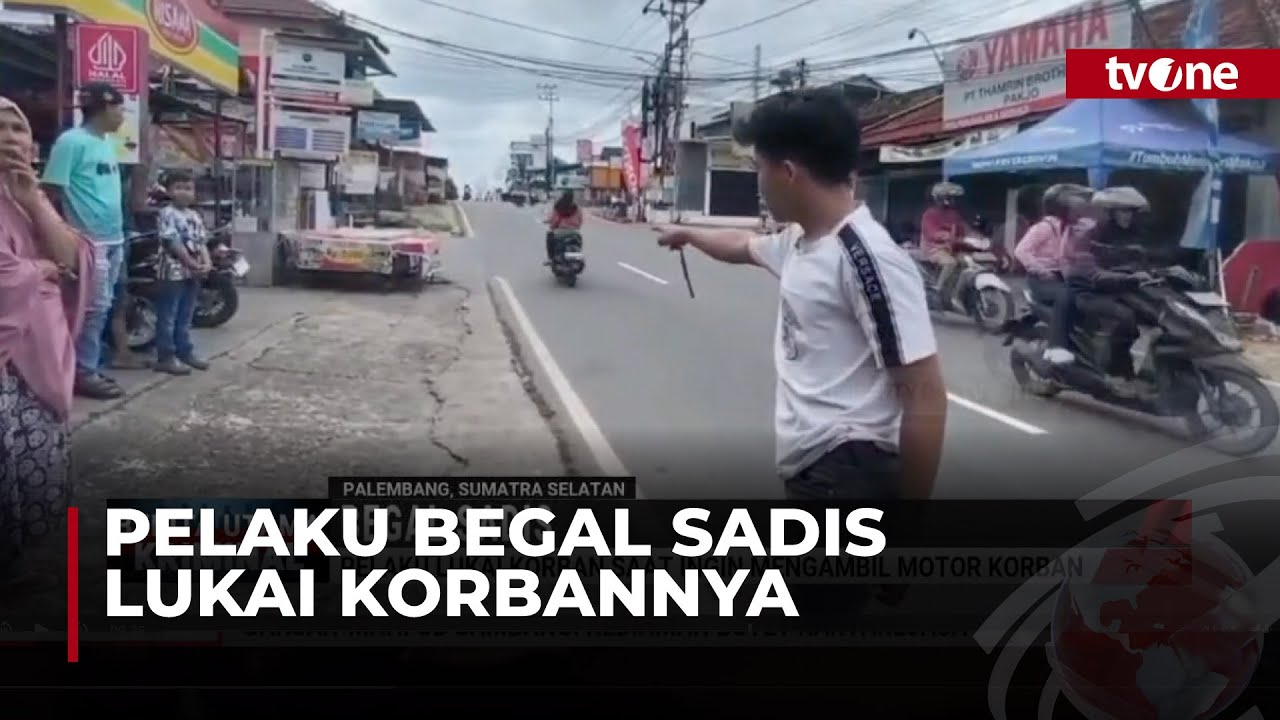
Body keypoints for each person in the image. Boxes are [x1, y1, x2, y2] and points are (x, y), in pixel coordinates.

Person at [657, 88, 947, 504]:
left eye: (759, 167)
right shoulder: (801, 239)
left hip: (847, 473)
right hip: (816, 470)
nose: (757, 182)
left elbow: (925, 394)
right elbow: (742, 245)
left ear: (788, 173)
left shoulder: (867, 259)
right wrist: (688, 234)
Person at [0, 96, 95, 586]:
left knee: (34, 468)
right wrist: (37, 270)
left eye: (17, 129)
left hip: (38, 361)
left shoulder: (25, 197)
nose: (9, 138)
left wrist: (33, 198)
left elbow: (72, 261)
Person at [41, 82, 127, 400]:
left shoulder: (105, 143)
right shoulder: (71, 142)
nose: (122, 116)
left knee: (101, 308)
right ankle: (81, 372)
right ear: (105, 107)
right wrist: (61, 235)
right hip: (88, 243)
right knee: (92, 308)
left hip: (114, 238)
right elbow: (51, 191)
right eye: (120, 108)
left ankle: (87, 365)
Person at [1014, 184, 1095, 365]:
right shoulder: (1044, 228)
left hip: (1060, 277)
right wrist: (1041, 270)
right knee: (1065, 295)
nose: (1080, 214)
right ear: (1063, 210)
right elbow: (1021, 251)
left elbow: (1067, 255)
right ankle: (1056, 347)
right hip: (1041, 280)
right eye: (1076, 210)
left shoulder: (1068, 228)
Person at [153, 169, 211, 375]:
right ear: (168, 191)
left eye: (188, 188)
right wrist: (191, 263)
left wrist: (207, 262)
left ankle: (185, 352)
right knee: (168, 316)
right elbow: (172, 242)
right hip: (171, 273)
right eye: (178, 188)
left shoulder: (194, 215)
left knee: (186, 316)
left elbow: (201, 242)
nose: (184, 193)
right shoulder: (167, 213)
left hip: (191, 274)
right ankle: (166, 357)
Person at [919, 181, 969, 310]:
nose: (952, 201)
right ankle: (937, 290)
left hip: (951, 249)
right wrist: (944, 236)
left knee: (968, 263)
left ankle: (956, 294)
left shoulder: (954, 215)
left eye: (953, 198)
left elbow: (963, 230)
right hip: (933, 249)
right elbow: (930, 233)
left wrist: (974, 238)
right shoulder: (929, 214)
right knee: (950, 263)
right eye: (949, 198)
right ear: (940, 198)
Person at [545, 190, 583, 263]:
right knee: (579, 239)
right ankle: (577, 255)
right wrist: (576, 226)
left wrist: (552, 226)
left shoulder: (558, 206)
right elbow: (580, 220)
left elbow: (554, 220)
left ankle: (550, 258)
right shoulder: (577, 207)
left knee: (549, 235)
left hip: (560, 231)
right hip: (574, 231)